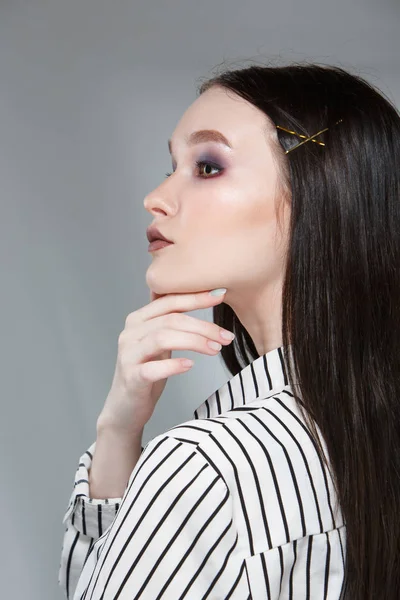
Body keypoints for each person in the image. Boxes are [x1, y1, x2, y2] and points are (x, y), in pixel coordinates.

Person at [58, 62, 400, 599]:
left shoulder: (205, 466)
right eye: (171, 164)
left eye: (208, 166)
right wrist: (118, 435)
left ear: (319, 193)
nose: (156, 197)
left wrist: (118, 439)